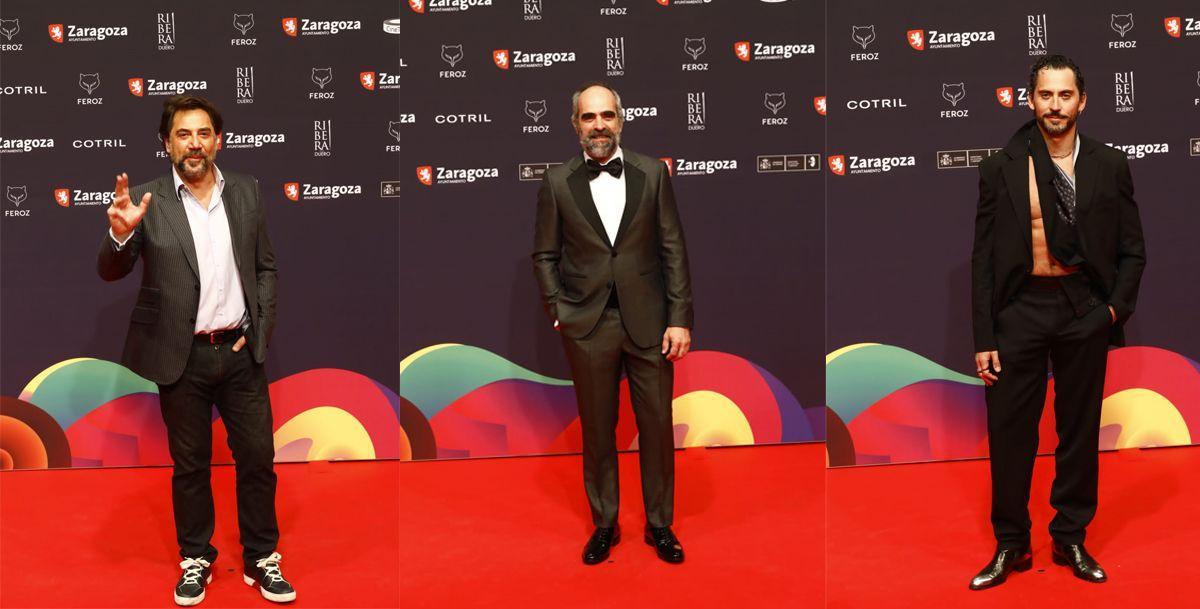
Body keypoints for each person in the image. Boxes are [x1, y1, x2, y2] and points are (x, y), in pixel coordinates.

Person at [97, 95, 295, 605]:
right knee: (190, 465)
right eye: (183, 134)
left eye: (203, 133)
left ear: (218, 140)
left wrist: (262, 327)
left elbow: (266, 267)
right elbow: (110, 270)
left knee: (257, 457)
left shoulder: (247, 192)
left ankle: (261, 557)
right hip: (179, 357)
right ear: (166, 144)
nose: (194, 144)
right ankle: (195, 558)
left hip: (239, 351)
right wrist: (119, 236)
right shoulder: (145, 200)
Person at [969, 55, 1146, 590]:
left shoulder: (1109, 165)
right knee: (1010, 433)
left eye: (1064, 95)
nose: (1054, 105)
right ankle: (1011, 543)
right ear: (1031, 100)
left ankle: (1070, 535)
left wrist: (1112, 311)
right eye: (1045, 95)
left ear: (1082, 101)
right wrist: (983, 336)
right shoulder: (1001, 166)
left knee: (1078, 430)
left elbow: (1133, 251)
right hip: (1020, 308)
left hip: (1082, 309)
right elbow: (982, 258)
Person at [532, 82, 694, 565]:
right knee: (598, 430)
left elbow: (673, 250)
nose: (598, 125)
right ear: (575, 126)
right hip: (588, 324)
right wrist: (559, 310)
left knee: (657, 426)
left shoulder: (652, 174)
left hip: (650, 321)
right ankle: (605, 523)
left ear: (621, 121)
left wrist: (679, 318)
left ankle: (660, 524)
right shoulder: (557, 182)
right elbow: (544, 255)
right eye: (588, 117)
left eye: (606, 116)